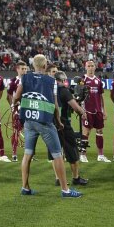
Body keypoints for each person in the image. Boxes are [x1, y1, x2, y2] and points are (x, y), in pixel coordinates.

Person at [9, 54, 82, 198]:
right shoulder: (51, 81)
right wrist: (59, 121)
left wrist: (16, 104)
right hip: (45, 122)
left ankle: (25, 187)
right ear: (45, 65)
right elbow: (55, 104)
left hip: (29, 122)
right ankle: (65, 190)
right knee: (57, 155)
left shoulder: (25, 78)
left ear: (33, 65)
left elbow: (16, 97)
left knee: (27, 154)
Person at [52, 71, 89, 188]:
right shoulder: (64, 91)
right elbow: (75, 107)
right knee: (72, 152)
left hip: (51, 125)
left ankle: (58, 178)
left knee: (56, 153)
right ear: (63, 80)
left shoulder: (50, 90)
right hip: (64, 125)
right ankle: (76, 178)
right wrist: (82, 112)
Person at [79, 59, 109, 163]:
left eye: (92, 66)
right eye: (89, 66)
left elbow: (101, 96)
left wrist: (104, 110)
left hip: (98, 111)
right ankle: (82, 154)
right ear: (85, 67)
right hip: (87, 111)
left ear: (95, 67)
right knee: (86, 132)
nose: (91, 68)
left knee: (100, 132)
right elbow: (78, 97)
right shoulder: (82, 80)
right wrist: (82, 111)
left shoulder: (98, 80)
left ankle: (100, 155)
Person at [6, 61, 27, 161]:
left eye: (25, 69)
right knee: (16, 131)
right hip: (17, 110)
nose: (24, 71)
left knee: (29, 131)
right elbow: (9, 95)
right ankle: (14, 153)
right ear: (17, 69)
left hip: (28, 109)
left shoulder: (29, 80)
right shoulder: (13, 81)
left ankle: (29, 153)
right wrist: (12, 106)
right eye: (22, 69)